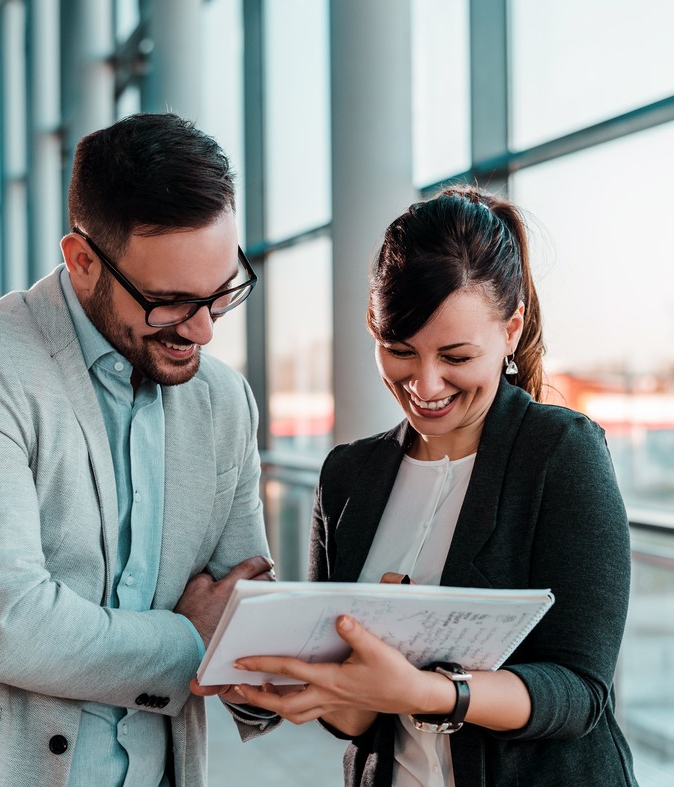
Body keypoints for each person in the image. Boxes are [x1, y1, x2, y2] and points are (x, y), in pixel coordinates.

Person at [0, 113, 278, 787]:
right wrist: (191, 642)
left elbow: (243, 608)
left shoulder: (225, 401)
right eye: (170, 302)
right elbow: (8, 622)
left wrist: (280, 658)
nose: (203, 328)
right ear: (81, 260)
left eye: (222, 292)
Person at [230, 187, 638, 786]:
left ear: (510, 330)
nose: (424, 383)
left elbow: (579, 692)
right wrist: (304, 688)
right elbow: (355, 716)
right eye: (399, 350)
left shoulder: (561, 453)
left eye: (455, 355)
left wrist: (428, 691)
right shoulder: (348, 477)